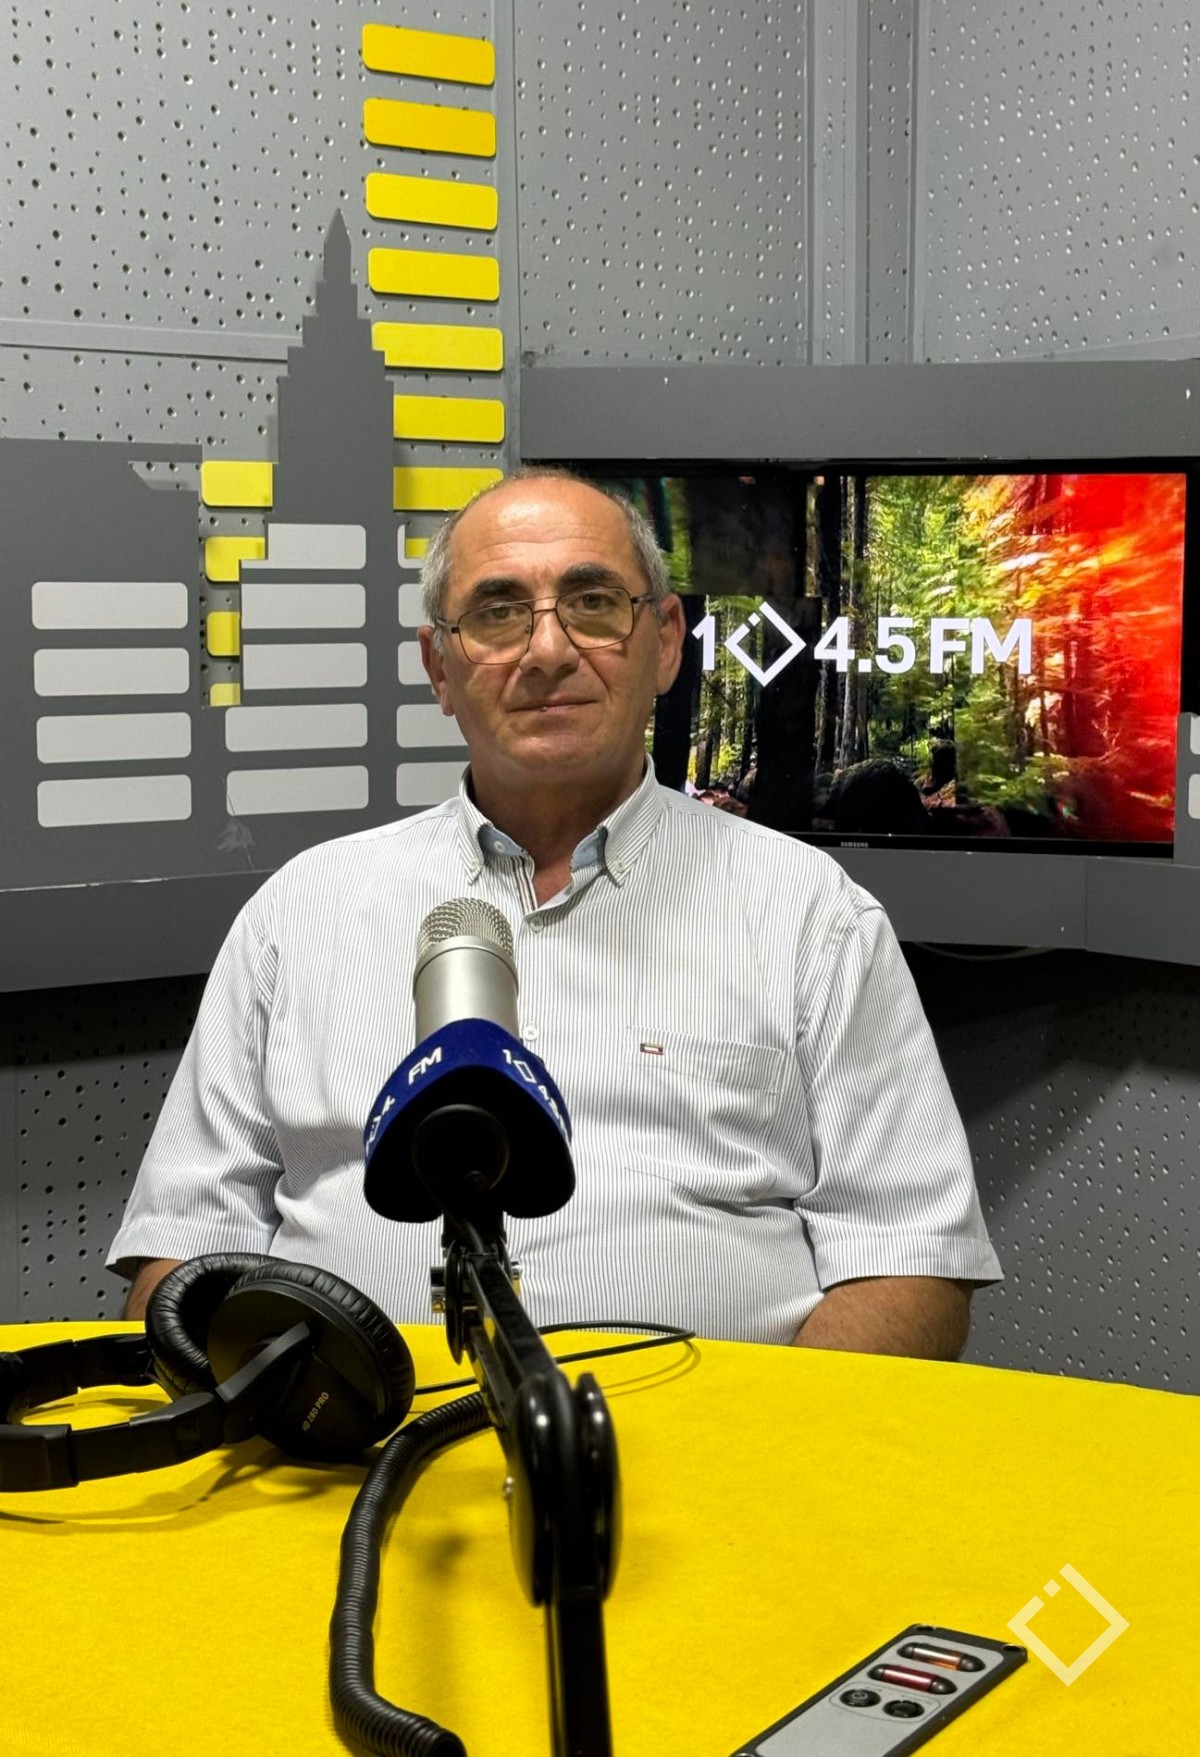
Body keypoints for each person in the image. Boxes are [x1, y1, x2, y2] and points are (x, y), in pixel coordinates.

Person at [108, 470, 1001, 1356]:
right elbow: (182, 1255)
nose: (547, 650)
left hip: (717, 1443)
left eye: (593, 602)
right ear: (440, 668)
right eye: (498, 611)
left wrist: (758, 1445)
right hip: (353, 1437)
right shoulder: (300, 913)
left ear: (664, 642)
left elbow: (909, 1263)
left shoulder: (812, 916)